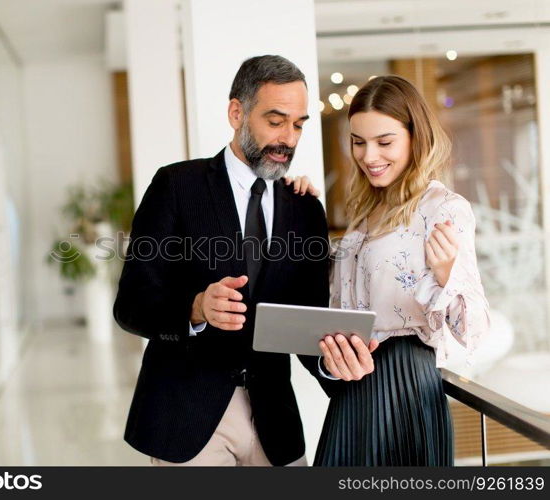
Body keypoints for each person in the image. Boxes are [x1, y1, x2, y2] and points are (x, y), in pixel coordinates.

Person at [113, 55, 377, 466]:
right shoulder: (176, 186)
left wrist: (333, 361)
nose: (288, 138)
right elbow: (131, 304)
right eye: (275, 121)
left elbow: (307, 318)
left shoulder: (305, 208)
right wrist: (196, 308)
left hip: (275, 421)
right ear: (237, 112)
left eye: (299, 124)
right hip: (187, 416)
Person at [286, 75, 490, 465]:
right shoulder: (364, 211)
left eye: (384, 142)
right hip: (355, 385)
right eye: (358, 142)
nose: (368, 156)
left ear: (416, 138)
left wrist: (448, 276)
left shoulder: (444, 209)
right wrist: (295, 201)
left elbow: (475, 331)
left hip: (404, 386)